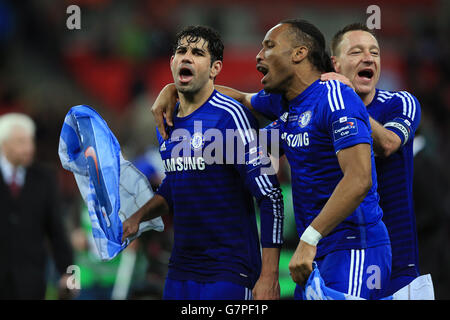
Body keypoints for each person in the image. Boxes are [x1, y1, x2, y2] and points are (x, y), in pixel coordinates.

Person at [151, 19, 392, 300]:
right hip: (315, 254)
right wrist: (174, 90)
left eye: (269, 46)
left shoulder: (335, 97)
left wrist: (308, 239)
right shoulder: (284, 102)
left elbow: (359, 179)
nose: (258, 55)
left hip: (355, 246)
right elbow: (233, 97)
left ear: (299, 53)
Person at [122, 25, 284, 300]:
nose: (186, 57)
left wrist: (269, 276)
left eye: (197, 53)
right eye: (181, 51)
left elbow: (270, 196)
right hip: (180, 270)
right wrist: (136, 219)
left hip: (230, 270)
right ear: (172, 61)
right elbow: (175, 185)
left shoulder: (230, 116)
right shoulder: (166, 120)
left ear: (215, 68)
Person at [323, 23, 433, 298]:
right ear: (335, 64)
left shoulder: (400, 103)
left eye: (374, 52)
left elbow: (388, 144)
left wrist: (348, 99)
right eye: (356, 52)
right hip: (340, 257)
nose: (368, 58)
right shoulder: (321, 109)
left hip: (398, 261)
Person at [0, 112, 75, 299]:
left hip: (31, 281)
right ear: (3, 144)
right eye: (20, 142)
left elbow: (56, 230)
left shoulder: (44, 178)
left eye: (30, 141)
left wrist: (69, 272)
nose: (29, 148)